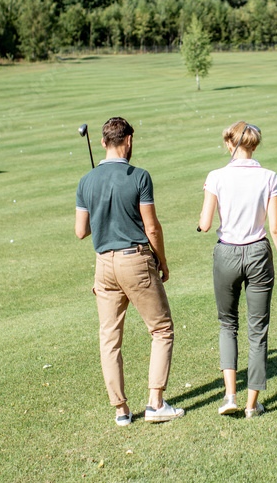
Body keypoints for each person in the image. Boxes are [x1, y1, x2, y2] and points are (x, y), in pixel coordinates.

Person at [75, 117, 185, 426]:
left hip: (103, 266)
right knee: (162, 329)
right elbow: (151, 227)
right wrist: (162, 261)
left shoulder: (86, 180)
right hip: (134, 261)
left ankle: (121, 410)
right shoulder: (139, 176)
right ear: (129, 141)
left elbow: (80, 231)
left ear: (102, 143)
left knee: (110, 338)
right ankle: (155, 403)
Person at [198, 122, 277, 418]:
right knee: (258, 330)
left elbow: (205, 222)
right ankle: (252, 405)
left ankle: (229, 396)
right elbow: (275, 226)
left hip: (226, 252)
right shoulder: (269, 176)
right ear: (254, 145)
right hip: (258, 253)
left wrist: (202, 225)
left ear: (230, 144)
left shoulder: (216, 176)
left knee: (228, 324)